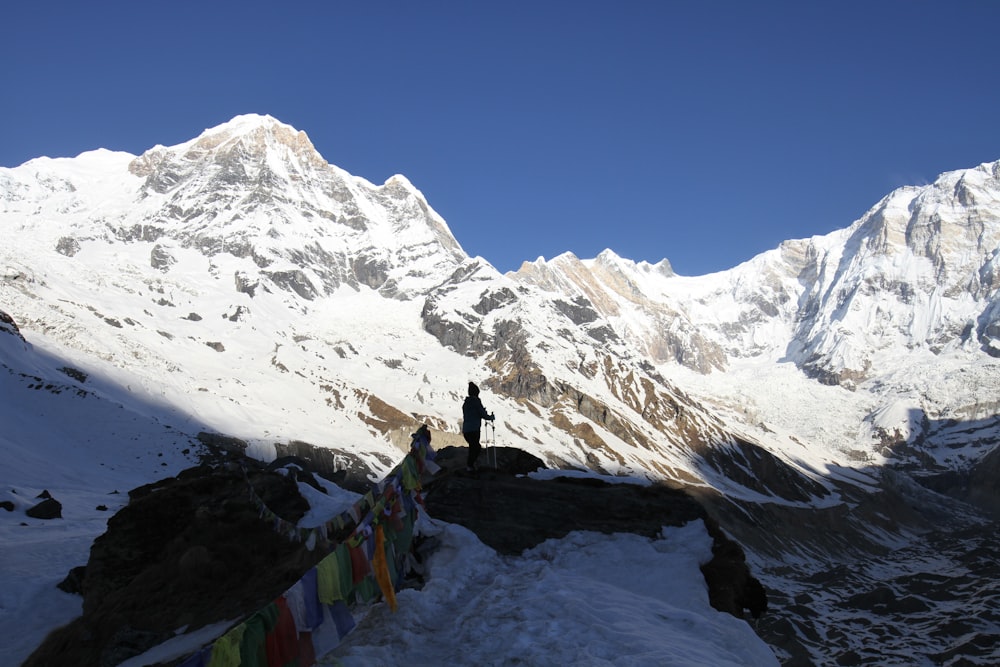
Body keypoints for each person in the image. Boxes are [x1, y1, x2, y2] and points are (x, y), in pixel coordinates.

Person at [461, 381, 495, 471]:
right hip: (474, 429)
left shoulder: (466, 403)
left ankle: (470, 466)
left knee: (473, 447)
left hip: (466, 430)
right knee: (476, 447)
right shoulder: (476, 401)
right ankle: (470, 466)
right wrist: (491, 417)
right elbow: (482, 414)